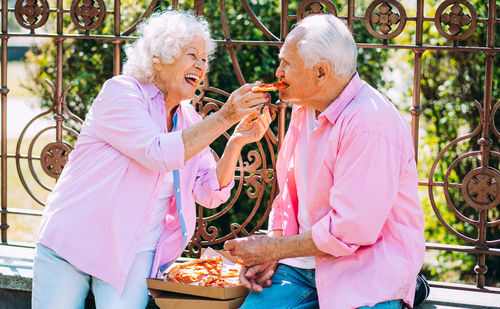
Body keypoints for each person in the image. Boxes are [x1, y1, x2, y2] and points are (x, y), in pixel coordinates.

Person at [32, 10, 272, 309]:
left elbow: (209, 191)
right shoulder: (120, 92)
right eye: (191, 54)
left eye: (204, 58)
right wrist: (225, 116)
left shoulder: (188, 119)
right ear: (161, 56)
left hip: (134, 251)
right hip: (73, 242)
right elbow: (157, 152)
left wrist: (236, 141)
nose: (201, 64)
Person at [224, 14, 426, 309]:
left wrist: (272, 247)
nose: (278, 71)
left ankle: (411, 289)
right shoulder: (304, 108)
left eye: (287, 64)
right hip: (298, 266)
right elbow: (288, 197)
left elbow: (351, 228)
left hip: (364, 273)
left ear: (321, 72)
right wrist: (273, 252)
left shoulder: (370, 122)